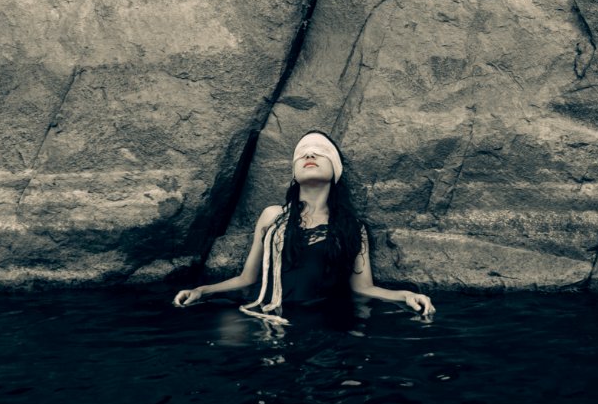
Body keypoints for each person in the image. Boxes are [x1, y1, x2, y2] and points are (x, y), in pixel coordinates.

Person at [173, 130, 435, 323]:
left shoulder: (353, 228)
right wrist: (200, 291)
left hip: (319, 319)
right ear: (294, 173)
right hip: (260, 314)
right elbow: (247, 279)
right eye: (302, 154)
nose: (309, 154)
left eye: (320, 152)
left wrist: (406, 296)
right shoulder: (272, 217)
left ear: (336, 169)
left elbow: (363, 288)